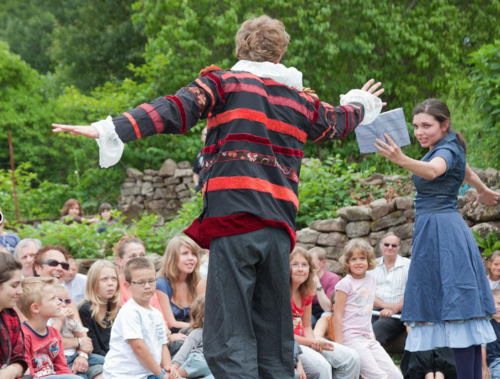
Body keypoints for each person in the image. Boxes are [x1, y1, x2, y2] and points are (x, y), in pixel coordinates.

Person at [51, 14, 385, 378]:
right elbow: (339, 121)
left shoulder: (224, 84)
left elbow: (174, 109)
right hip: (277, 232)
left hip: (235, 222)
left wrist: (110, 129)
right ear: (280, 53)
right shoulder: (299, 101)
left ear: (240, 47)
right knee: (274, 331)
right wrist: (362, 103)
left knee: (229, 332)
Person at [374, 98, 499, 378]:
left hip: (443, 231)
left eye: (427, 125)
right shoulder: (447, 146)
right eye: (416, 125)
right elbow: (465, 169)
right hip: (434, 229)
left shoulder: (445, 151)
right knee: (452, 311)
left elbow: (433, 171)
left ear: (445, 125)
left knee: (459, 309)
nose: (419, 131)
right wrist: (481, 189)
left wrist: (401, 159)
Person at [334, 239, 403, 379]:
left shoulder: (371, 279)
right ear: (347, 262)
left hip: (368, 337)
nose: (358, 262)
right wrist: (340, 346)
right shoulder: (344, 284)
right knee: (379, 377)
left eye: (362, 258)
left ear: (369, 260)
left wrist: (371, 334)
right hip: (351, 339)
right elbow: (337, 316)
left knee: (396, 375)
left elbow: (367, 308)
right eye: (353, 259)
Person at [290, 247, 361, 379]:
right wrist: (311, 343)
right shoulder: (282, 295)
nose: (300, 269)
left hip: (306, 340)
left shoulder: (306, 293)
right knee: (322, 366)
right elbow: (285, 336)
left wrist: (313, 342)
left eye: (304, 265)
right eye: (295, 264)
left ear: (310, 270)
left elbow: (306, 326)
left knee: (352, 357)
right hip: (292, 344)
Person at [102, 257, 179, 379]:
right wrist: (161, 375)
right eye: (141, 282)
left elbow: (162, 345)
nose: (147, 286)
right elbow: (139, 348)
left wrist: (169, 369)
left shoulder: (156, 314)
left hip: (147, 373)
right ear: (127, 286)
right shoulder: (129, 312)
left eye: (151, 281)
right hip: (123, 375)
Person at [114, 236, 186, 354]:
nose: (138, 259)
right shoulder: (117, 286)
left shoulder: (149, 285)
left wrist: (167, 333)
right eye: (132, 256)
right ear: (119, 261)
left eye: (142, 255)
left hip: (160, 339)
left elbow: (159, 316)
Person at [17, 277, 80, 379]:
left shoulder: (54, 333)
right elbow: (27, 373)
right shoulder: (23, 336)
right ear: (36, 308)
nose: (59, 302)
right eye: (53, 299)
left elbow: (62, 367)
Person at [49, 284, 104, 379]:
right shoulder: (49, 320)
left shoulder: (68, 318)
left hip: (76, 354)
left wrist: (72, 320)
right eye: (59, 300)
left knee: (106, 361)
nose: (63, 304)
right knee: (80, 375)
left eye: (67, 301)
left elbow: (82, 336)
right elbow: (52, 339)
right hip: (64, 359)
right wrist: (60, 320)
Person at [369, 232, 410, 346]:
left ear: (399, 248)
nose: (390, 248)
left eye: (394, 245)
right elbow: (367, 292)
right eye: (386, 244)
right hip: (373, 310)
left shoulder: (408, 265)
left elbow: (411, 293)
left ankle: (372, 362)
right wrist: (385, 306)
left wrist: (394, 309)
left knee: (377, 329)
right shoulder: (372, 265)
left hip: (398, 314)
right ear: (381, 246)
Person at [156, 236, 201, 333]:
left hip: (195, 335)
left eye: (194, 254)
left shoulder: (197, 282)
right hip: (172, 337)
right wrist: (201, 328)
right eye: (185, 253)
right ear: (172, 257)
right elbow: (171, 323)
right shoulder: (161, 284)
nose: (191, 258)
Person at [78, 260, 120, 357]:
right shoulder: (85, 310)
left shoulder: (117, 309)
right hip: (97, 360)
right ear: (93, 283)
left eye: (114, 279)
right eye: (104, 279)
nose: (111, 283)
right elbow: (95, 350)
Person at [170, 295, 213, 379]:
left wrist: (174, 365)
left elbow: (185, 350)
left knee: (173, 375)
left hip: (198, 360)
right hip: (213, 363)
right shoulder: (223, 334)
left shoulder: (197, 332)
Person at [0, 253, 29, 379]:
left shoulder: (10, 316)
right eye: (14, 285)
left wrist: (11, 370)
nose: (20, 291)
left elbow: (20, 359)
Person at [309, 247, 340, 325]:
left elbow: (328, 308)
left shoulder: (333, 278)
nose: (309, 265)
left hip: (325, 312)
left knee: (325, 316)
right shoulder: (304, 277)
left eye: (311, 262)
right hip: (309, 312)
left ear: (323, 263)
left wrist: (317, 284)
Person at [484, 289, 500, 379]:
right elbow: (482, 348)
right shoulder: (487, 324)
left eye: (499, 303)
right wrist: (484, 368)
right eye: (493, 305)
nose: (497, 307)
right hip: (494, 360)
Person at [192, 126, 208, 192]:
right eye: (205, 134)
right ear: (202, 137)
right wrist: (196, 184)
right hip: (201, 188)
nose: (206, 136)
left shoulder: (219, 151)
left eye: (208, 134)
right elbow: (195, 172)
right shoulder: (199, 153)